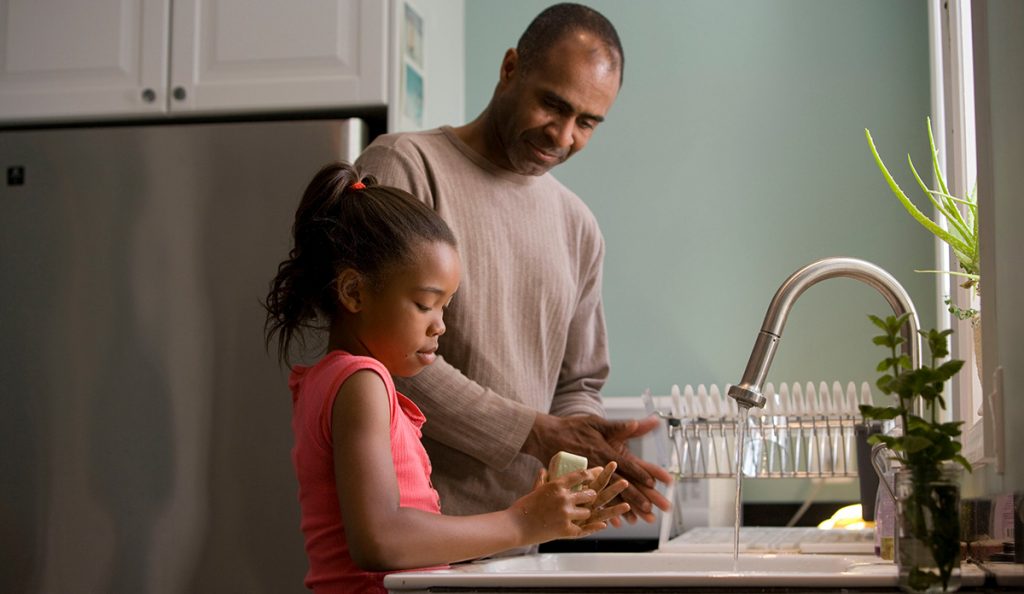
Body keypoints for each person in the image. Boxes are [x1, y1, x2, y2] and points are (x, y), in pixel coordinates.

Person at [355, 3, 671, 526]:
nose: (563, 136)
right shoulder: (405, 167)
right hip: (411, 532)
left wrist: (584, 447)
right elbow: (378, 352)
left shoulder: (578, 226)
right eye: (553, 104)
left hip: (520, 538)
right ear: (509, 70)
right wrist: (535, 432)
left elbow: (578, 383)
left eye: (587, 122)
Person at [264, 162, 630, 593]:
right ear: (354, 292)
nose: (440, 326)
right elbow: (380, 540)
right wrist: (521, 522)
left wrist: (535, 516)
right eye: (425, 304)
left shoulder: (332, 379)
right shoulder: (362, 382)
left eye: (445, 307)